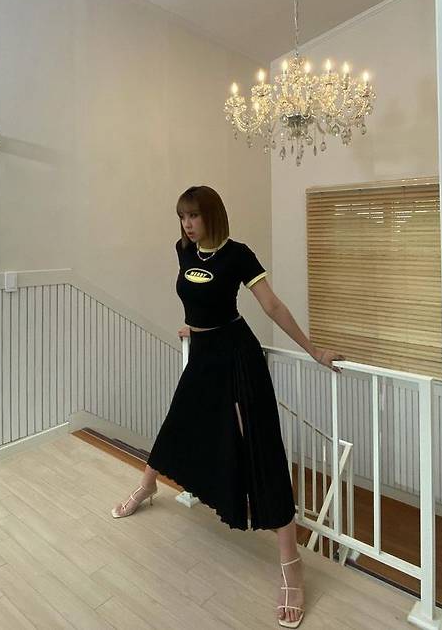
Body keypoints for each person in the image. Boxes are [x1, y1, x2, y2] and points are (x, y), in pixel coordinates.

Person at [111, 185, 344, 628]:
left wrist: (314, 350)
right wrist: (194, 326)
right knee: (178, 422)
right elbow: (198, 297)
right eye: (182, 216)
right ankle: (148, 486)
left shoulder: (239, 255)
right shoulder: (184, 250)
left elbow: (271, 305)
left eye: (194, 216)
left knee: (259, 448)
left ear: (212, 215)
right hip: (203, 354)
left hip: (237, 357)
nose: (187, 224)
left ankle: (290, 563)